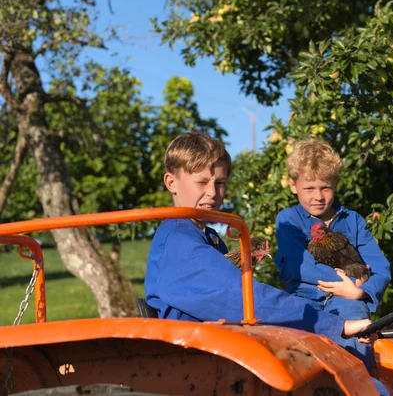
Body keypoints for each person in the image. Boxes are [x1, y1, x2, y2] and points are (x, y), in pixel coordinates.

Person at [144, 131, 372, 343]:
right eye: (202, 182)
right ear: (171, 183)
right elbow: (243, 298)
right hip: (202, 352)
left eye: (220, 183)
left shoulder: (206, 236)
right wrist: (332, 325)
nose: (213, 193)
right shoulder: (179, 242)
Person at [275, 139, 391, 370]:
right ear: (293, 186)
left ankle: (361, 383)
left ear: (335, 185)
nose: (318, 196)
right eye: (309, 188)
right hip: (304, 297)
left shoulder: (353, 221)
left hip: (347, 298)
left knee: (357, 329)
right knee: (291, 346)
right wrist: (349, 278)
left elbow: (380, 267)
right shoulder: (288, 220)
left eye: (325, 188)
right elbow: (301, 265)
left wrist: (360, 291)